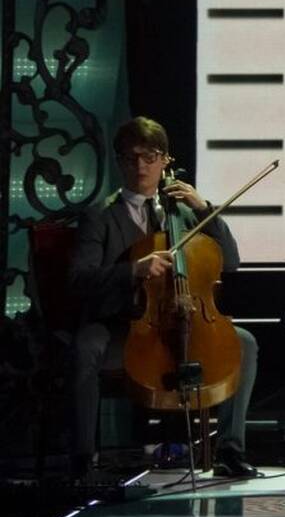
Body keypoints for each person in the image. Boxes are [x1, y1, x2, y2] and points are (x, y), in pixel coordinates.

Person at [68, 116, 258, 479]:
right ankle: (83, 457)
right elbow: (78, 279)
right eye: (130, 158)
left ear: (165, 160)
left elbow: (230, 261)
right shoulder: (100, 217)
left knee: (244, 344)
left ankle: (230, 450)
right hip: (120, 324)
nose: (140, 166)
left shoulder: (183, 212)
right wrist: (133, 269)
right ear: (119, 162)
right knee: (86, 347)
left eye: (149, 157)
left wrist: (203, 208)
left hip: (179, 320)